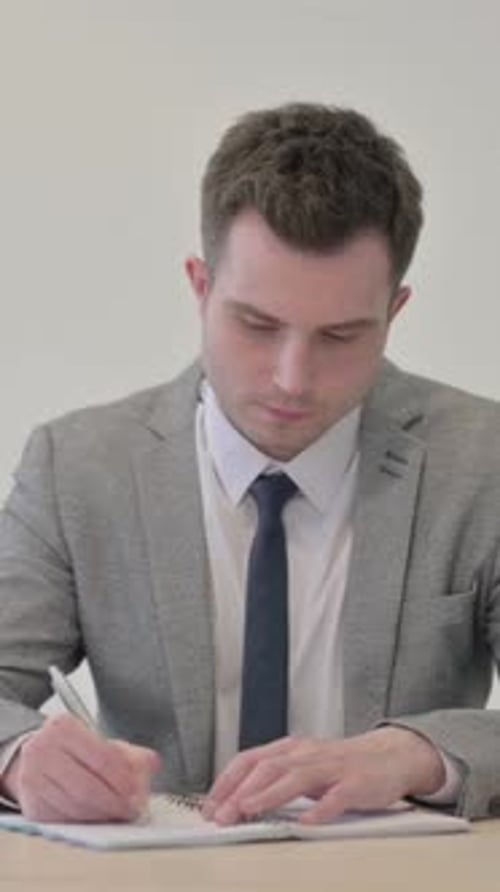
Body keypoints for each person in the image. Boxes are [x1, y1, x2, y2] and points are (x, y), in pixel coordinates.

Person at [1, 101, 500, 826]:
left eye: (341, 335)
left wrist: (419, 754)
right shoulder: (78, 467)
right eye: (257, 325)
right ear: (201, 287)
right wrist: (17, 758)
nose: (293, 378)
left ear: (395, 311)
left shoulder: (482, 461)